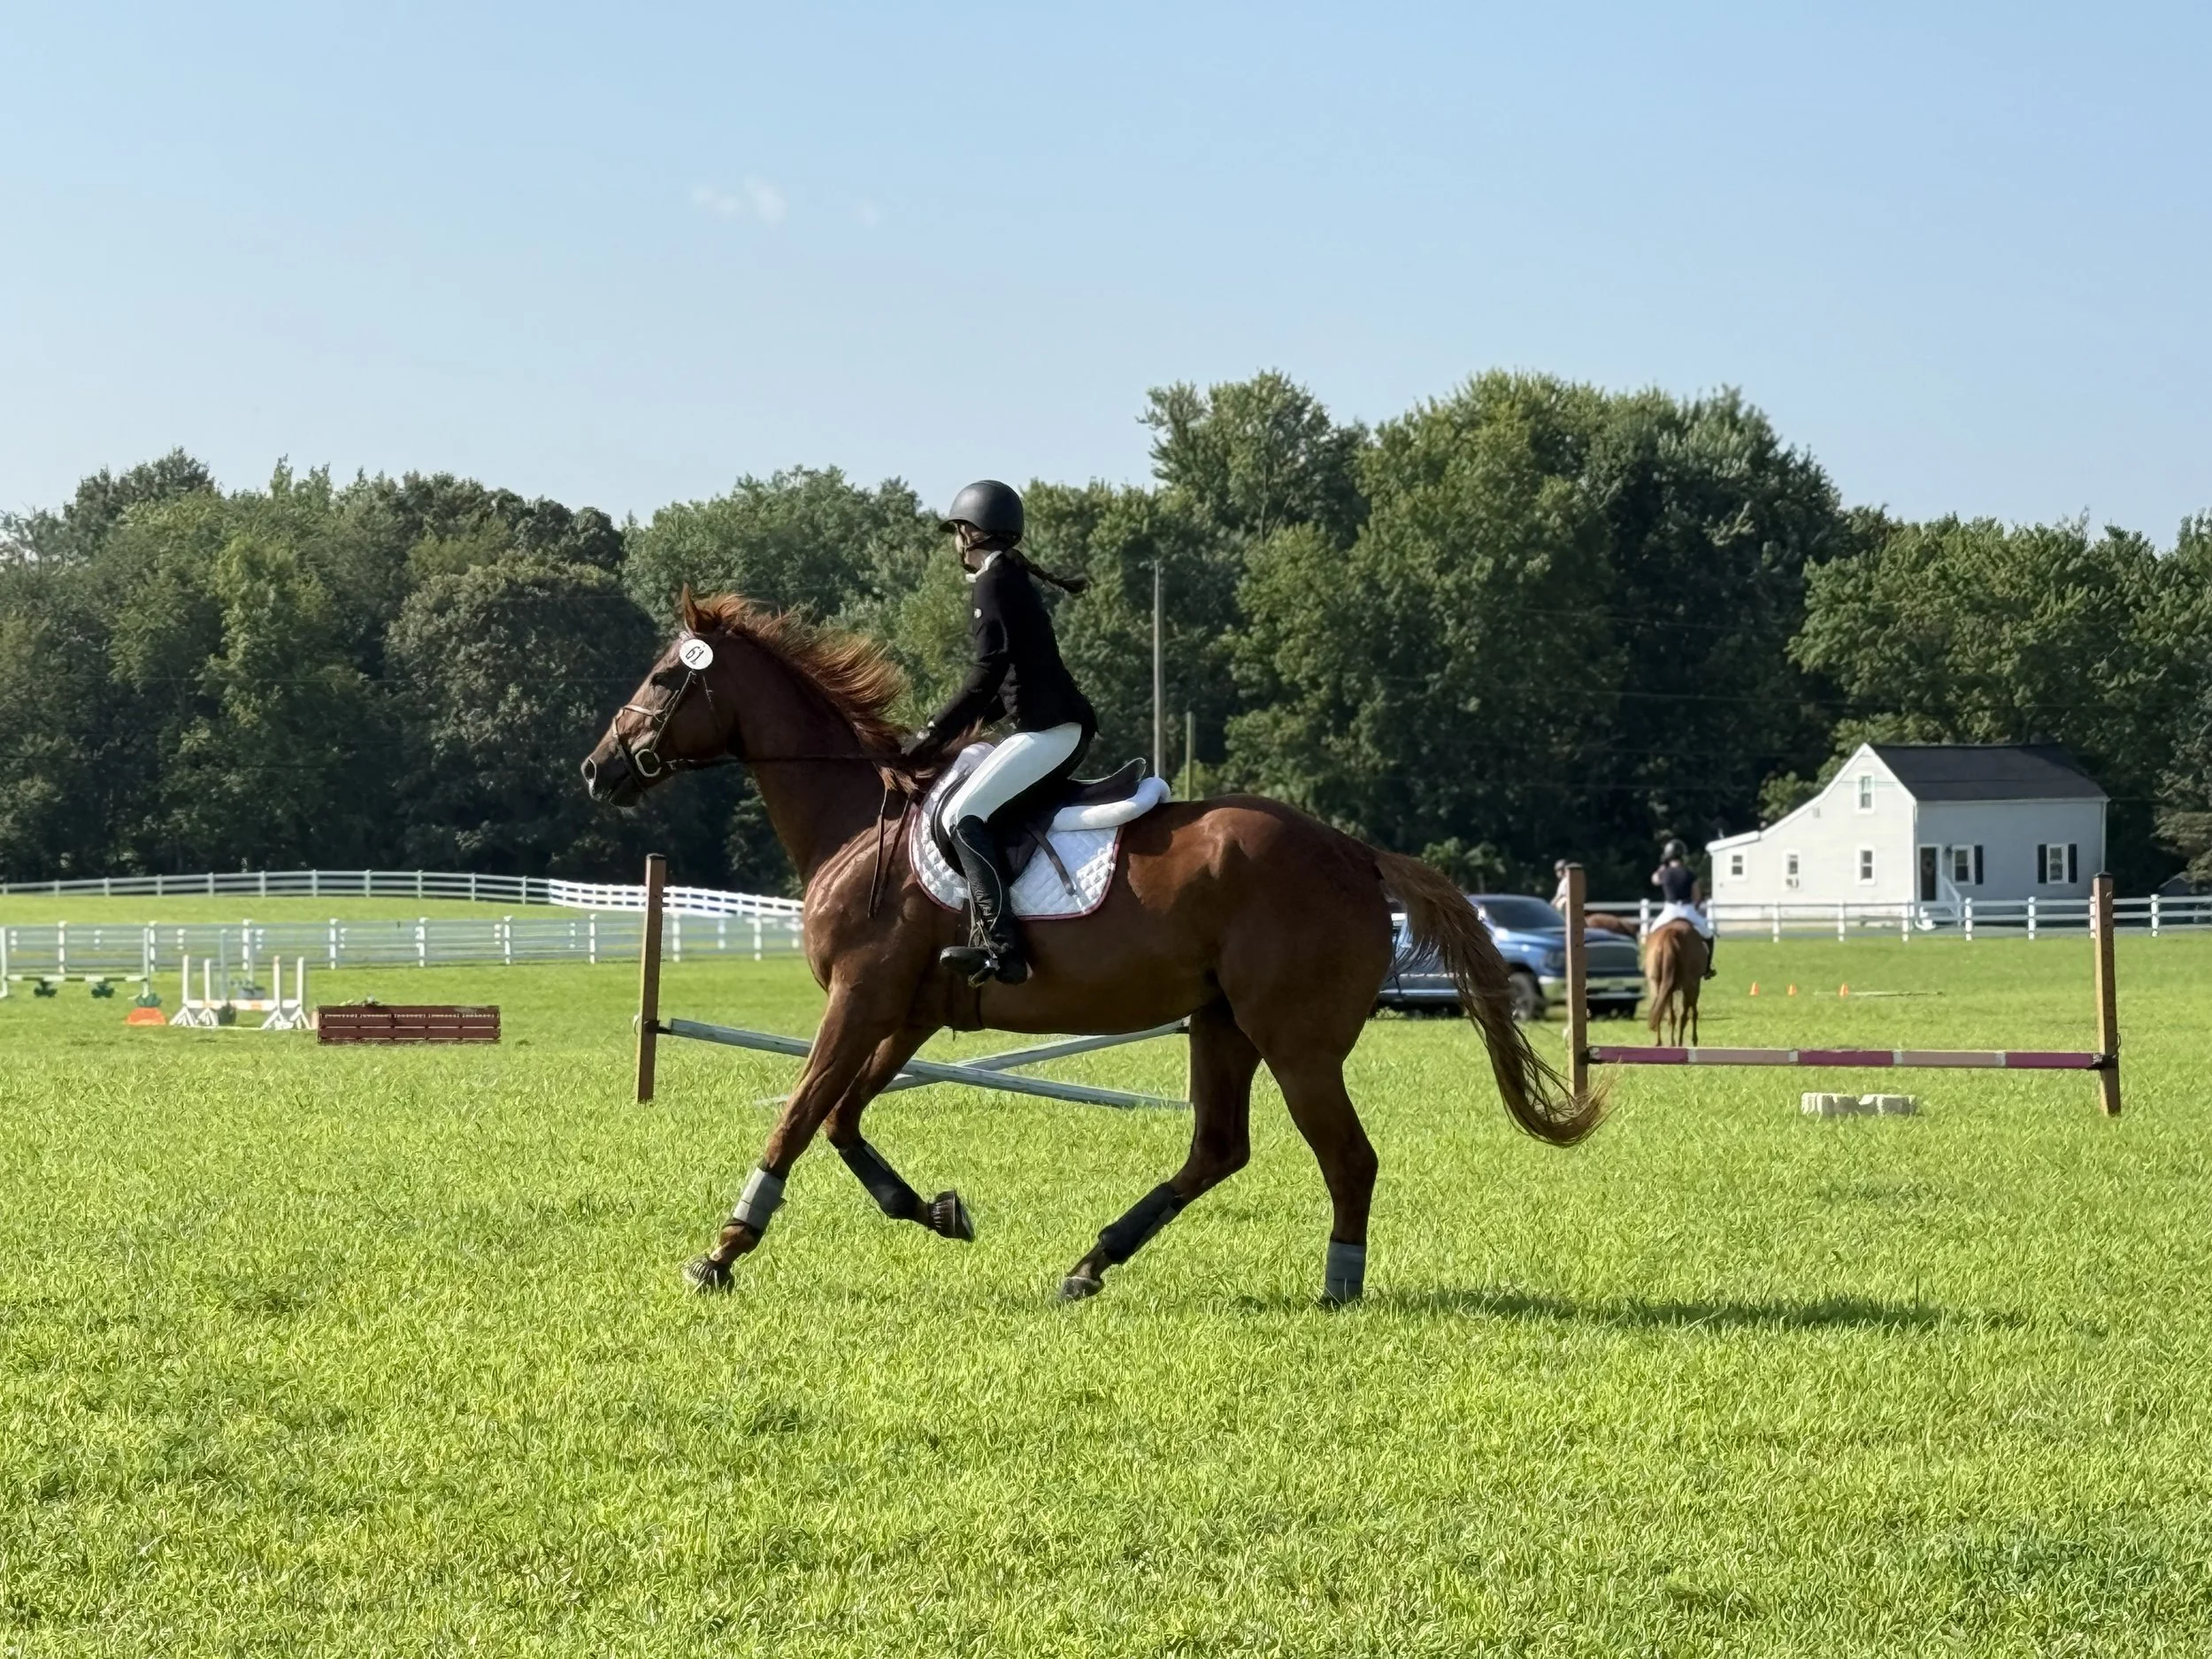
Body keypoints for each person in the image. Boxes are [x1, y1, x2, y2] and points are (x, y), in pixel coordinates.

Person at [903, 480, 1097, 987]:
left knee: (965, 815)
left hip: (1051, 731)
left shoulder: (993, 582)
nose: (954, 542)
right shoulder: (1006, 578)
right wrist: (949, 736)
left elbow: (985, 672)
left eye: (955, 532)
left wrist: (930, 730)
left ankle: (1002, 948)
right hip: (1050, 725)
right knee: (970, 806)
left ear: (969, 533)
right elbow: (1002, 685)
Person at [1649, 839, 1717, 979]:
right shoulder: (1689, 874)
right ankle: (1707, 968)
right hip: (1687, 910)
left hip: (1669, 910)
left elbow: (1654, 880)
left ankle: (1650, 964)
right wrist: (1696, 906)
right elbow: (1697, 896)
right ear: (1682, 855)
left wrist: (1662, 867)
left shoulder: (1664, 873)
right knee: (1709, 935)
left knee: (1651, 933)